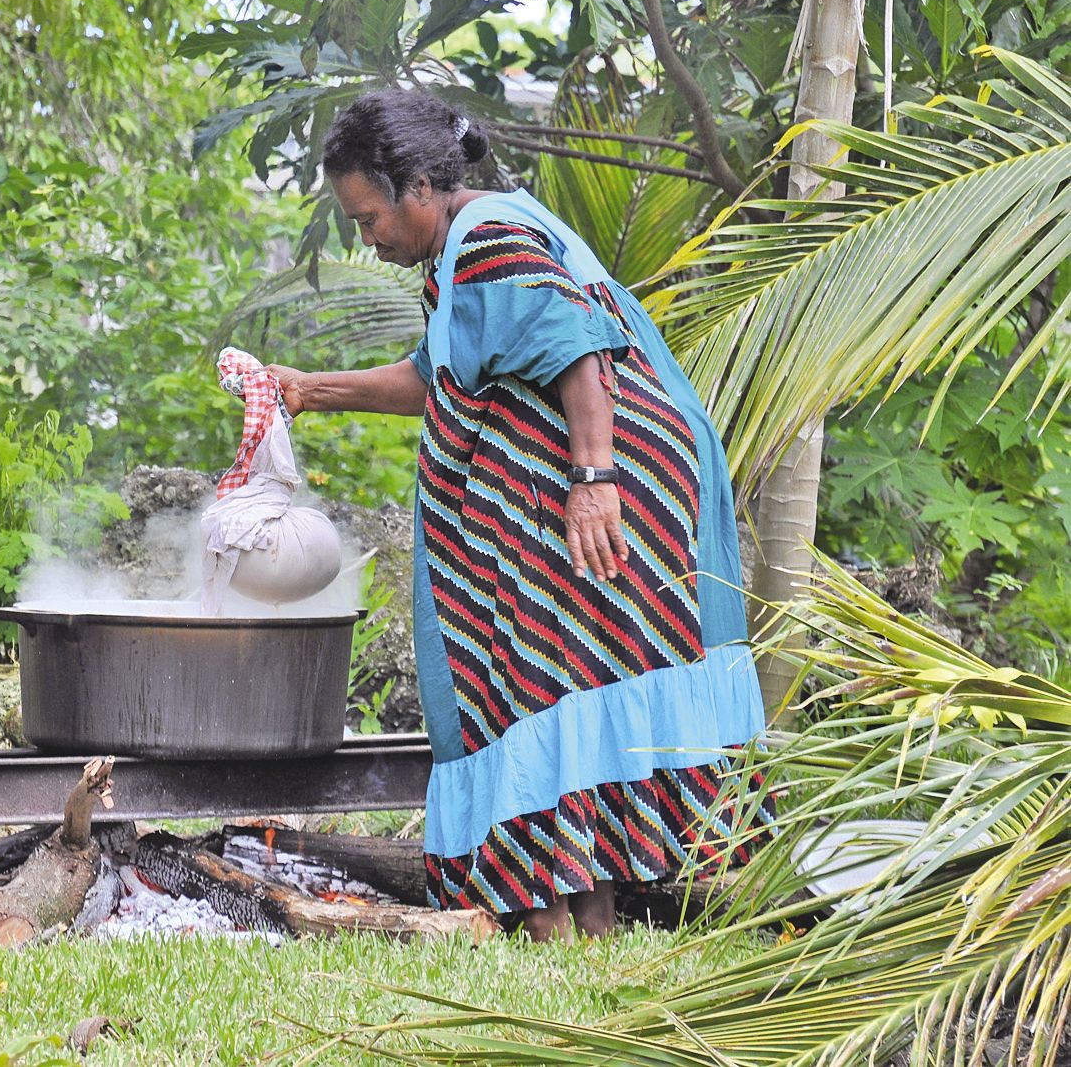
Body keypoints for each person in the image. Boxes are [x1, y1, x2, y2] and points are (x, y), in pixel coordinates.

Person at [268, 89, 772, 942]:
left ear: (418, 186)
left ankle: (559, 920)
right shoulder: (463, 250)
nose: (368, 238)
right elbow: (436, 376)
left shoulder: (491, 239)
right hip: (577, 497)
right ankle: (583, 919)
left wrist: (593, 479)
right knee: (557, 691)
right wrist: (309, 390)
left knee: (538, 688)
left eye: (369, 219)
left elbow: (576, 350)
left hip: (605, 494)